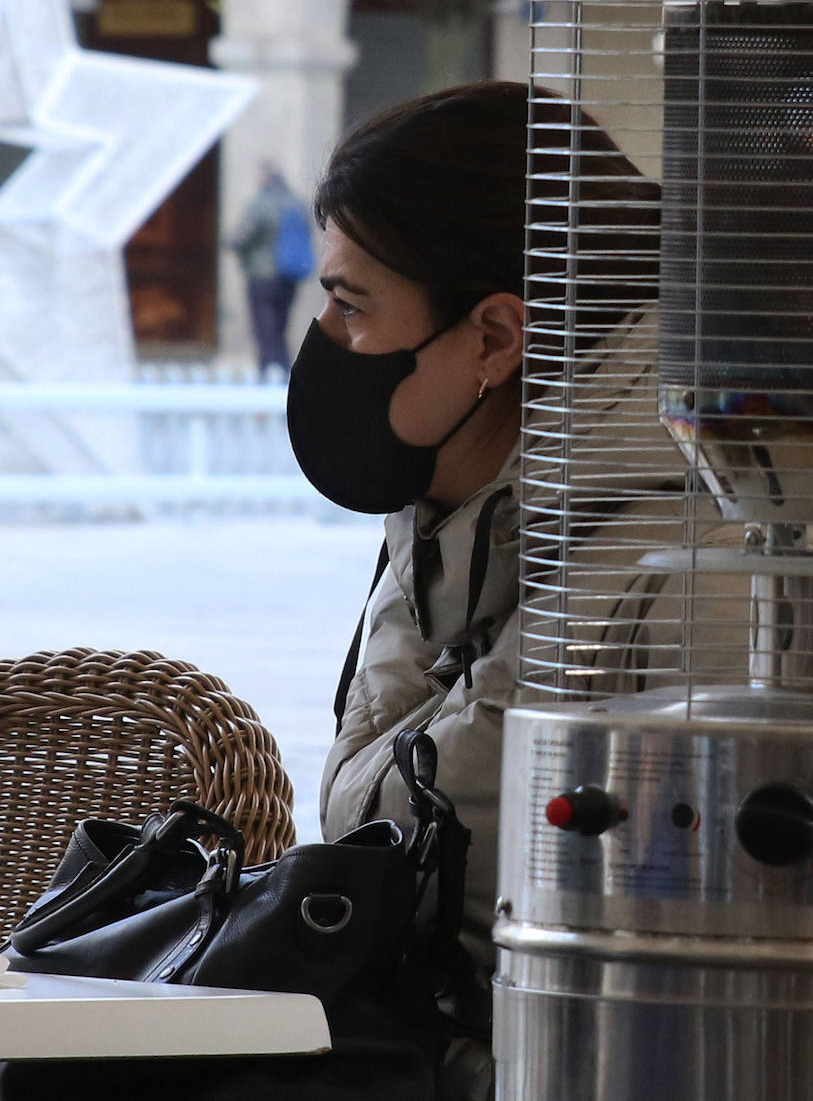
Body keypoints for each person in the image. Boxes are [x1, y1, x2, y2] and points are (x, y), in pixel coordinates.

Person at [285, 81, 674, 1100]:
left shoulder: (668, 568)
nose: (323, 335)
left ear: (496, 340)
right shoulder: (468, 497)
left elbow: (408, 855)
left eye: (350, 302)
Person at [228, 159, 312, 372]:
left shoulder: (261, 203)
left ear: (265, 177)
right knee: (281, 330)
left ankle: (270, 373)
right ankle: (285, 373)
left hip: (262, 278)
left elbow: (241, 238)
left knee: (265, 332)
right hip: (289, 277)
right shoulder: (295, 202)